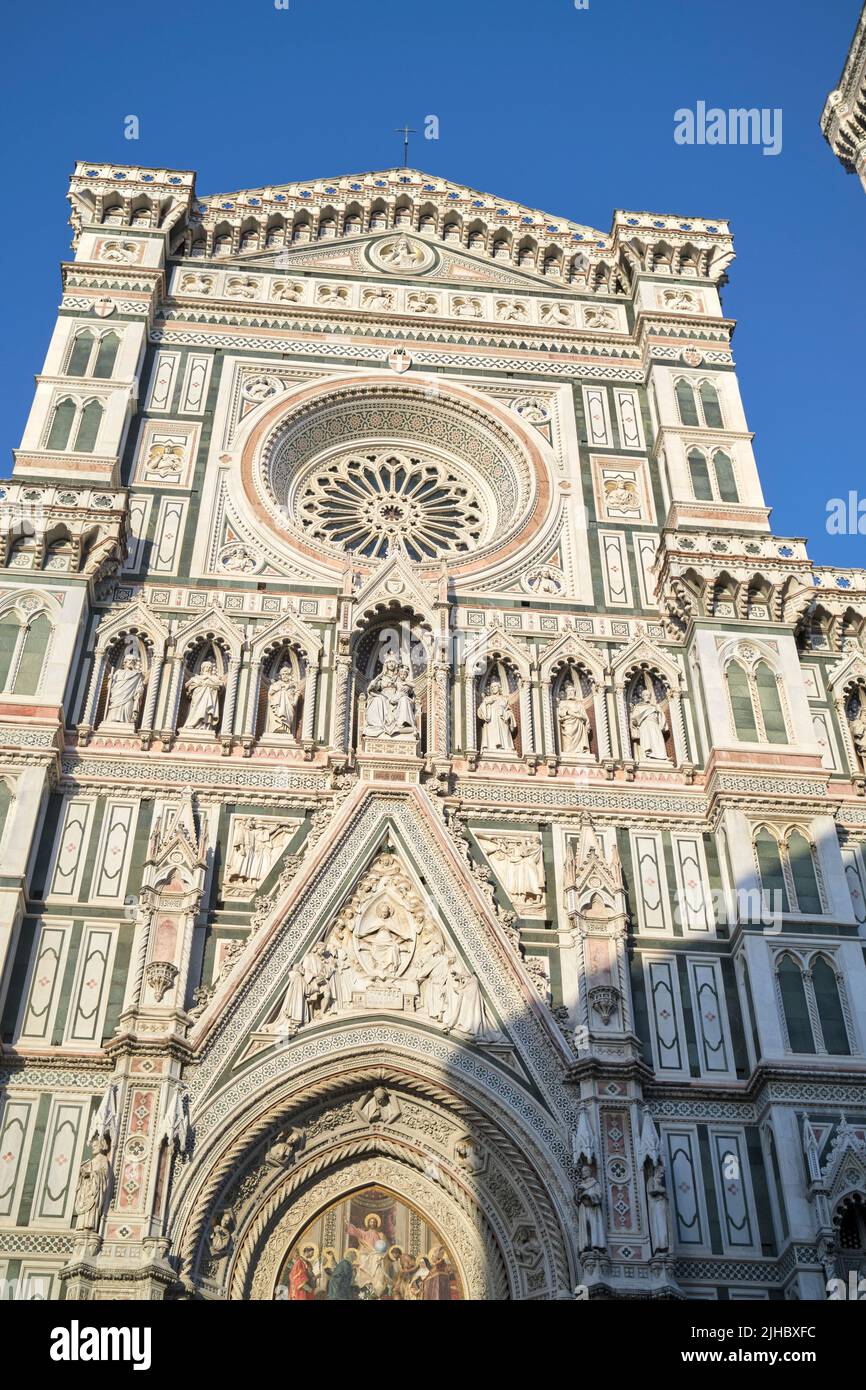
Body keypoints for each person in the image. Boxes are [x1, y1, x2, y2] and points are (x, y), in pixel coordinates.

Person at [104, 654, 145, 727]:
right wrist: (110, 680)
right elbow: (110, 687)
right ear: (125, 662)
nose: (131, 662)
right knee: (113, 714)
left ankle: (126, 723)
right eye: (129, 660)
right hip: (117, 697)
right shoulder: (118, 672)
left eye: (133, 661)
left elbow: (139, 687)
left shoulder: (137, 675)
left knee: (127, 712)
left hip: (129, 698)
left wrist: (139, 692)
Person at [183, 659, 224, 731]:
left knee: (206, 712)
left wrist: (208, 678)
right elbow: (186, 685)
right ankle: (192, 724)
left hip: (209, 699)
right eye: (206, 667)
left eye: (209, 667)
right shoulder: (196, 678)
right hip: (198, 698)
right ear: (202, 668)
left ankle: (205, 726)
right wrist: (198, 683)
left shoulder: (214, 678)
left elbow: (220, 684)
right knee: (197, 710)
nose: (207, 669)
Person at [477, 679, 517, 753]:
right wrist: (486, 703)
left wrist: (508, 715)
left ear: (499, 688)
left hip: (502, 720)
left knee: (504, 733)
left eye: (495, 686)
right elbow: (480, 712)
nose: (493, 688)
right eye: (491, 687)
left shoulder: (504, 699)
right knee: (492, 733)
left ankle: (506, 746)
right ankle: (490, 746)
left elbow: (509, 711)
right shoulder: (487, 699)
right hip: (491, 720)